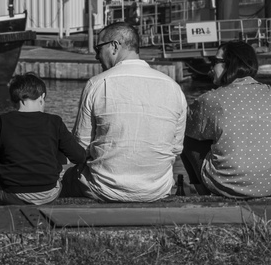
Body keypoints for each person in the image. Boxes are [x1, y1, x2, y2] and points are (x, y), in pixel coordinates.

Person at [62, 21, 188, 202]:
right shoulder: (173, 87)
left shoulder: (97, 84)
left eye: (98, 49)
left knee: (66, 178)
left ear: (114, 46)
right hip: (157, 190)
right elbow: (175, 148)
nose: (96, 56)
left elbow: (80, 146)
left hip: (103, 189)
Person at [0, 73, 89, 205]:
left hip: (13, 193)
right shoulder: (54, 122)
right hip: (48, 193)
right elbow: (79, 157)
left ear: (14, 99)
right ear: (42, 97)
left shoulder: (2, 121)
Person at [183, 41, 271, 198]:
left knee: (189, 138)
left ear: (230, 64)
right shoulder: (270, 94)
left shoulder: (211, 99)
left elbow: (187, 127)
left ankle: (204, 194)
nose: (211, 68)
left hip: (227, 185)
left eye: (215, 62)